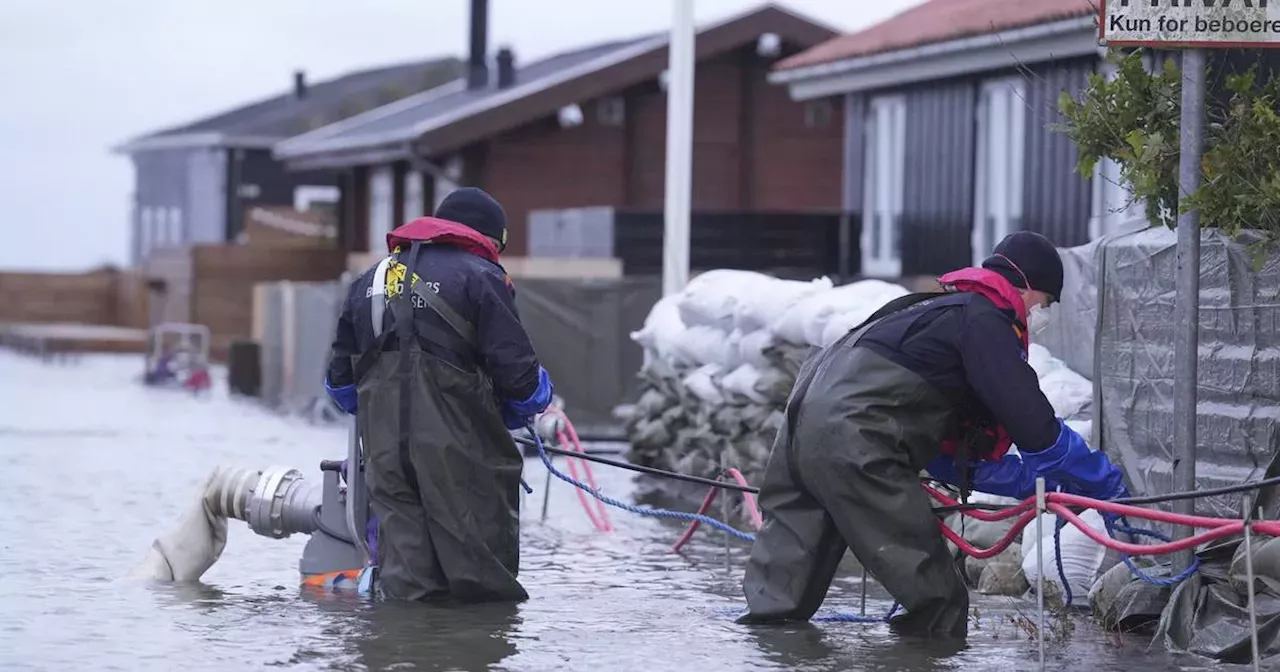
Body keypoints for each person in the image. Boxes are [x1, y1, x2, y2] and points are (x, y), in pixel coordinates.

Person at [737, 231, 1128, 638]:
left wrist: (1037, 486)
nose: (1040, 316)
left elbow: (950, 455)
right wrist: (1104, 483)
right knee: (938, 605)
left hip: (800, 427)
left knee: (778, 601)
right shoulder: (984, 320)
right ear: (1027, 286)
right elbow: (1036, 428)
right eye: (1045, 304)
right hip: (857, 439)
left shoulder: (928, 312)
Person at [322, 187, 554, 603]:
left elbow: (340, 386)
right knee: (481, 589)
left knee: (408, 585)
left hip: (386, 461)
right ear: (488, 237)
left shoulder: (369, 280)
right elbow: (523, 386)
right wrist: (533, 401)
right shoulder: (482, 278)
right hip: (462, 459)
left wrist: (390, 414)